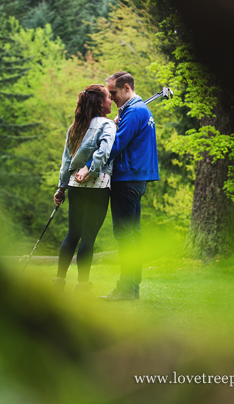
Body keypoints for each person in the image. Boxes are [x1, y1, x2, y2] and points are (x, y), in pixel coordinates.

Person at [76, 71, 159, 301]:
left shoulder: (134, 111)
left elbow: (115, 145)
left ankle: (126, 289)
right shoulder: (137, 110)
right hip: (136, 178)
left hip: (127, 178)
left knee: (124, 234)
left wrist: (89, 167)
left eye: (113, 93)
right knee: (133, 234)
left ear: (126, 88)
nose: (110, 99)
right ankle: (132, 288)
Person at [52, 84, 115, 295]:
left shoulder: (75, 127)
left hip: (74, 186)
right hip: (98, 186)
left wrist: (61, 188)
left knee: (72, 234)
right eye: (108, 98)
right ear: (99, 103)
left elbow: (66, 161)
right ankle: (82, 286)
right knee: (88, 237)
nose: (111, 101)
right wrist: (92, 171)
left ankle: (59, 281)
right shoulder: (107, 125)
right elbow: (104, 151)